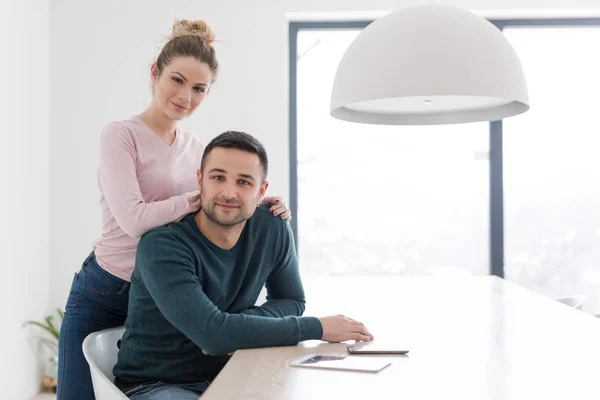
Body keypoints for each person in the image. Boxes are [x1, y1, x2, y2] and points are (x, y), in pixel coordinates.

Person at [57, 20, 292, 400]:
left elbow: (212, 209)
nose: (186, 96)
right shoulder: (120, 135)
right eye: (178, 80)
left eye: (199, 88)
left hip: (160, 293)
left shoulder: (195, 147)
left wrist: (253, 203)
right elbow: (134, 220)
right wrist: (196, 199)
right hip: (106, 290)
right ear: (155, 73)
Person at [114, 131, 374, 399]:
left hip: (237, 370)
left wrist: (234, 328)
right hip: (158, 384)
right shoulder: (162, 246)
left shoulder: (272, 227)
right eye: (218, 178)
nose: (229, 192)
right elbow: (213, 337)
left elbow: (292, 299)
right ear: (200, 180)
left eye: (244, 182)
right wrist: (316, 328)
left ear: (262, 190)